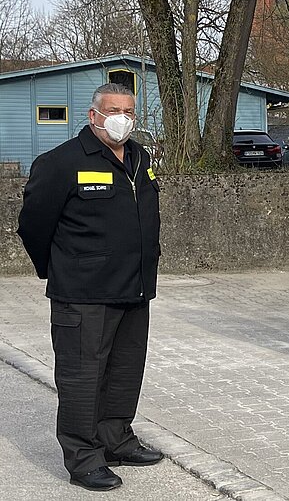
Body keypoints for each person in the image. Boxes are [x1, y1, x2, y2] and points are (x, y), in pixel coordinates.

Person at [17, 83, 164, 491]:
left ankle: (116, 438)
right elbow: (33, 226)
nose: (122, 118)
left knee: (124, 371)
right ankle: (83, 457)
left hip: (133, 290)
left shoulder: (139, 158)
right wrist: (60, 270)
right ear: (93, 115)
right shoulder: (61, 163)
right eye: (113, 109)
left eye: (129, 111)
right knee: (82, 377)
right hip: (82, 294)